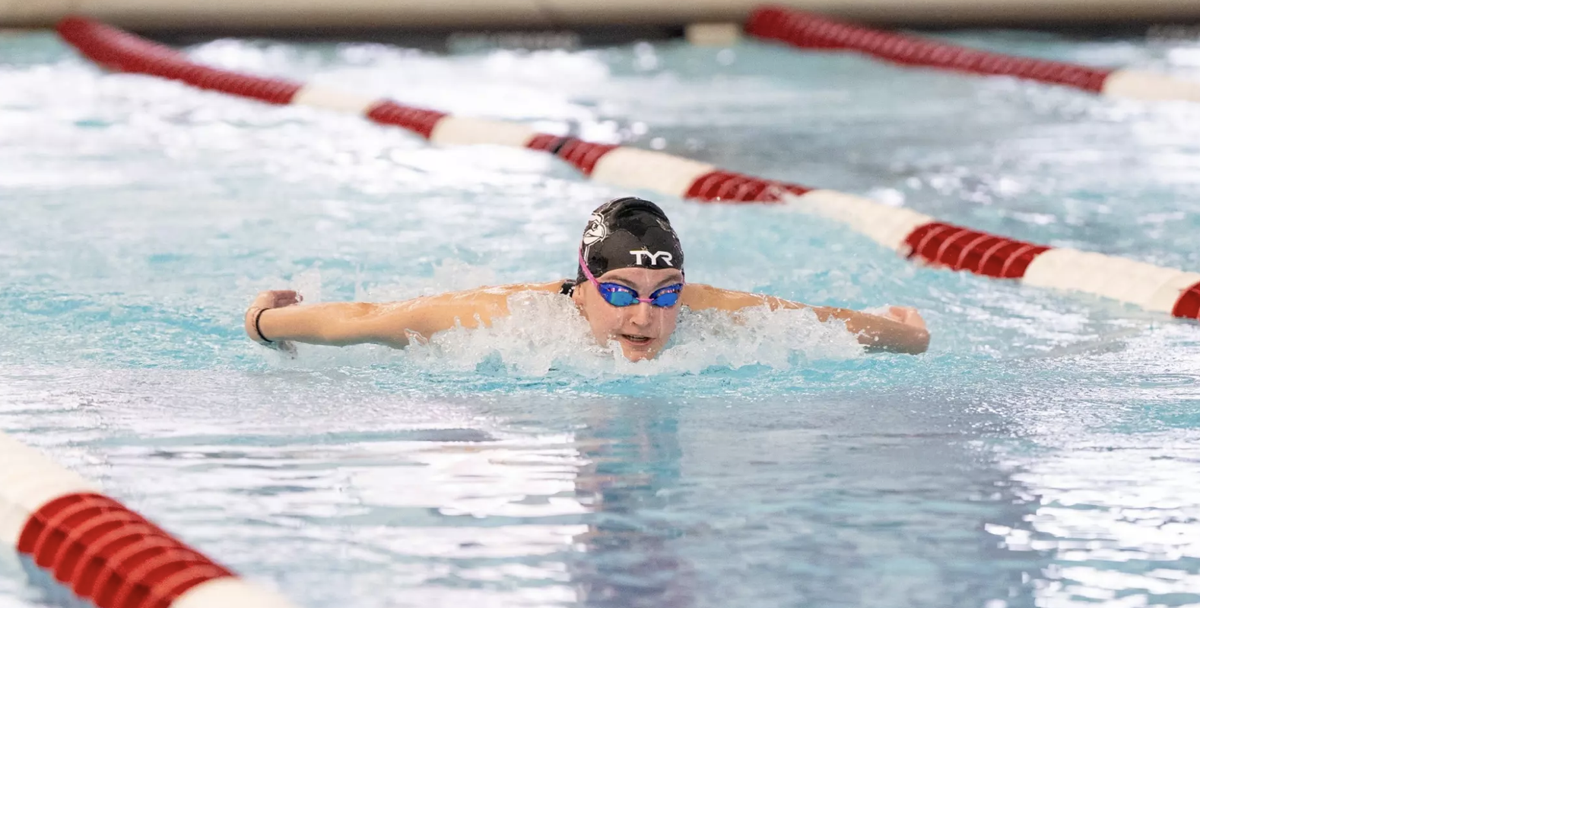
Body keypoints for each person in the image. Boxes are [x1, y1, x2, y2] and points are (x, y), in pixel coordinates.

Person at [244, 197, 929, 361]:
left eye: (664, 297)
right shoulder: (505, 318)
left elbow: (819, 320)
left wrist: (907, 337)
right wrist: (264, 321)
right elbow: (367, 319)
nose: (645, 319)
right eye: (621, 295)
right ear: (583, 287)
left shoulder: (709, 311)